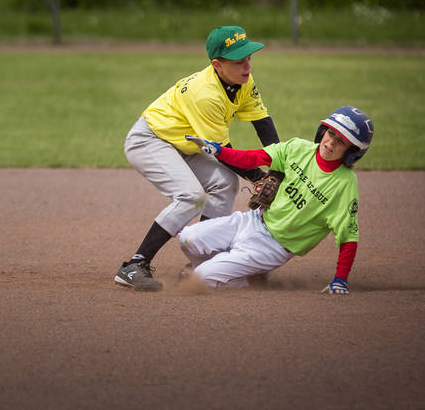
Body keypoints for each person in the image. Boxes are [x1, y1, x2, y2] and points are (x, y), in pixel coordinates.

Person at [115, 26, 279, 291]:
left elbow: (262, 122)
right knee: (191, 196)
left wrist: (279, 165)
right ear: (217, 65)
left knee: (225, 182)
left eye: (249, 57)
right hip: (150, 141)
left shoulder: (244, 81)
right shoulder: (206, 94)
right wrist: (259, 176)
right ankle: (134, 265)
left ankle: (200, 262)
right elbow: (222, 151)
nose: (247, 66)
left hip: (187, 144)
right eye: (239, 61)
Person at [179, 106, 373, 292]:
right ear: (323, 131)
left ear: (352, 151)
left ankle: (248, 279)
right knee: (187, 238)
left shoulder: (345, 184)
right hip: (252, 220)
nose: (330, 143)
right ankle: (233, 269)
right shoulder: (298, 148)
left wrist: (340, 279)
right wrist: (220, 151)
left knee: (201, 278)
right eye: (331, 134)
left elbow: (348, 237)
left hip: (273, 248)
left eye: (341, 142)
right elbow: (253, 158)